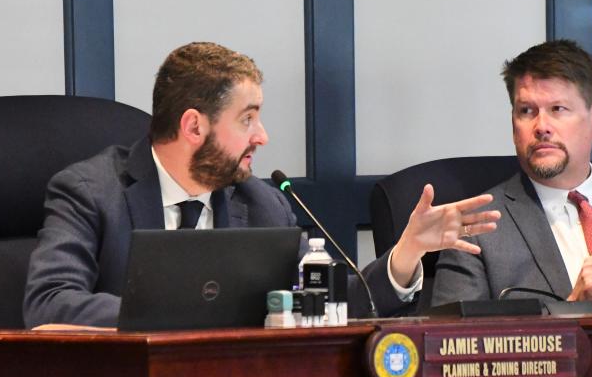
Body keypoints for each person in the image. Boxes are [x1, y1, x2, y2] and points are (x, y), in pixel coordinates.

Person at [24, 42, 500, 327]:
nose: (263, 136)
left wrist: (407, 252)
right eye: (247, 119)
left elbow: (332, 303)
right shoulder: (91, 191)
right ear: (194, 127)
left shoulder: (262, 203)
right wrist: (176, 312)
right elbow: (49, 302)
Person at [431, 39, 592, 312]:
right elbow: (450, 343)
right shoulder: (476, 229)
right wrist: (571, 308)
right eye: (526, 111)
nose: (541, 126)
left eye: (558, 109)